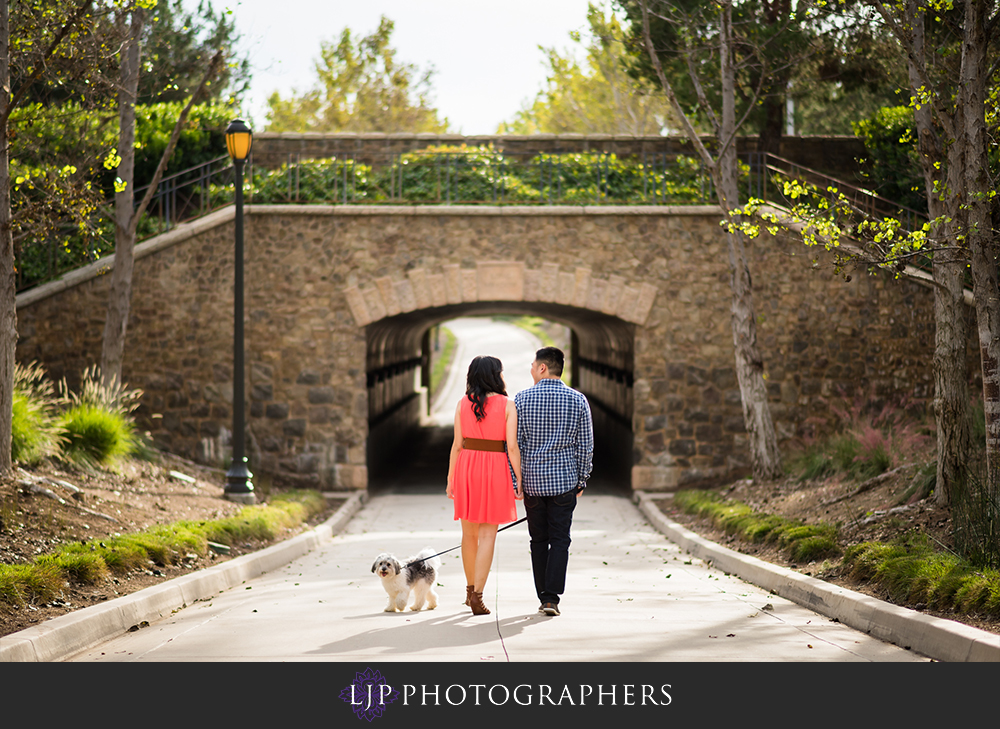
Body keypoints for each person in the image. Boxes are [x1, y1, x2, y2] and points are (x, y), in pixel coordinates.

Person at [514, 347, 593, 617]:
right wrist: (582, 478)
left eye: (533, 364)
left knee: (538, 540)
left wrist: (517, 480)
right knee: (560, 539)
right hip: (564, 483)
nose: (531, 369)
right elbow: (585, 445)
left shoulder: (522, 400)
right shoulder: (578, 400)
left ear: (543, 368)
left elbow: (515, 445)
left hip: (533, 484)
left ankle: (542, 595)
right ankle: (551, 599)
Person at [446, 355, 522, 616]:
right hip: (495, 469)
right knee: (489, 534)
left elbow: (457, 445)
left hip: (466, 467)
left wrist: (450, 478)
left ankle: (469, 591)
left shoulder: (461, 404)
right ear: (495, 375)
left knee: (468, 535)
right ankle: (478, 595)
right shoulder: (507, 405)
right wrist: (519, 478)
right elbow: (511, 446)